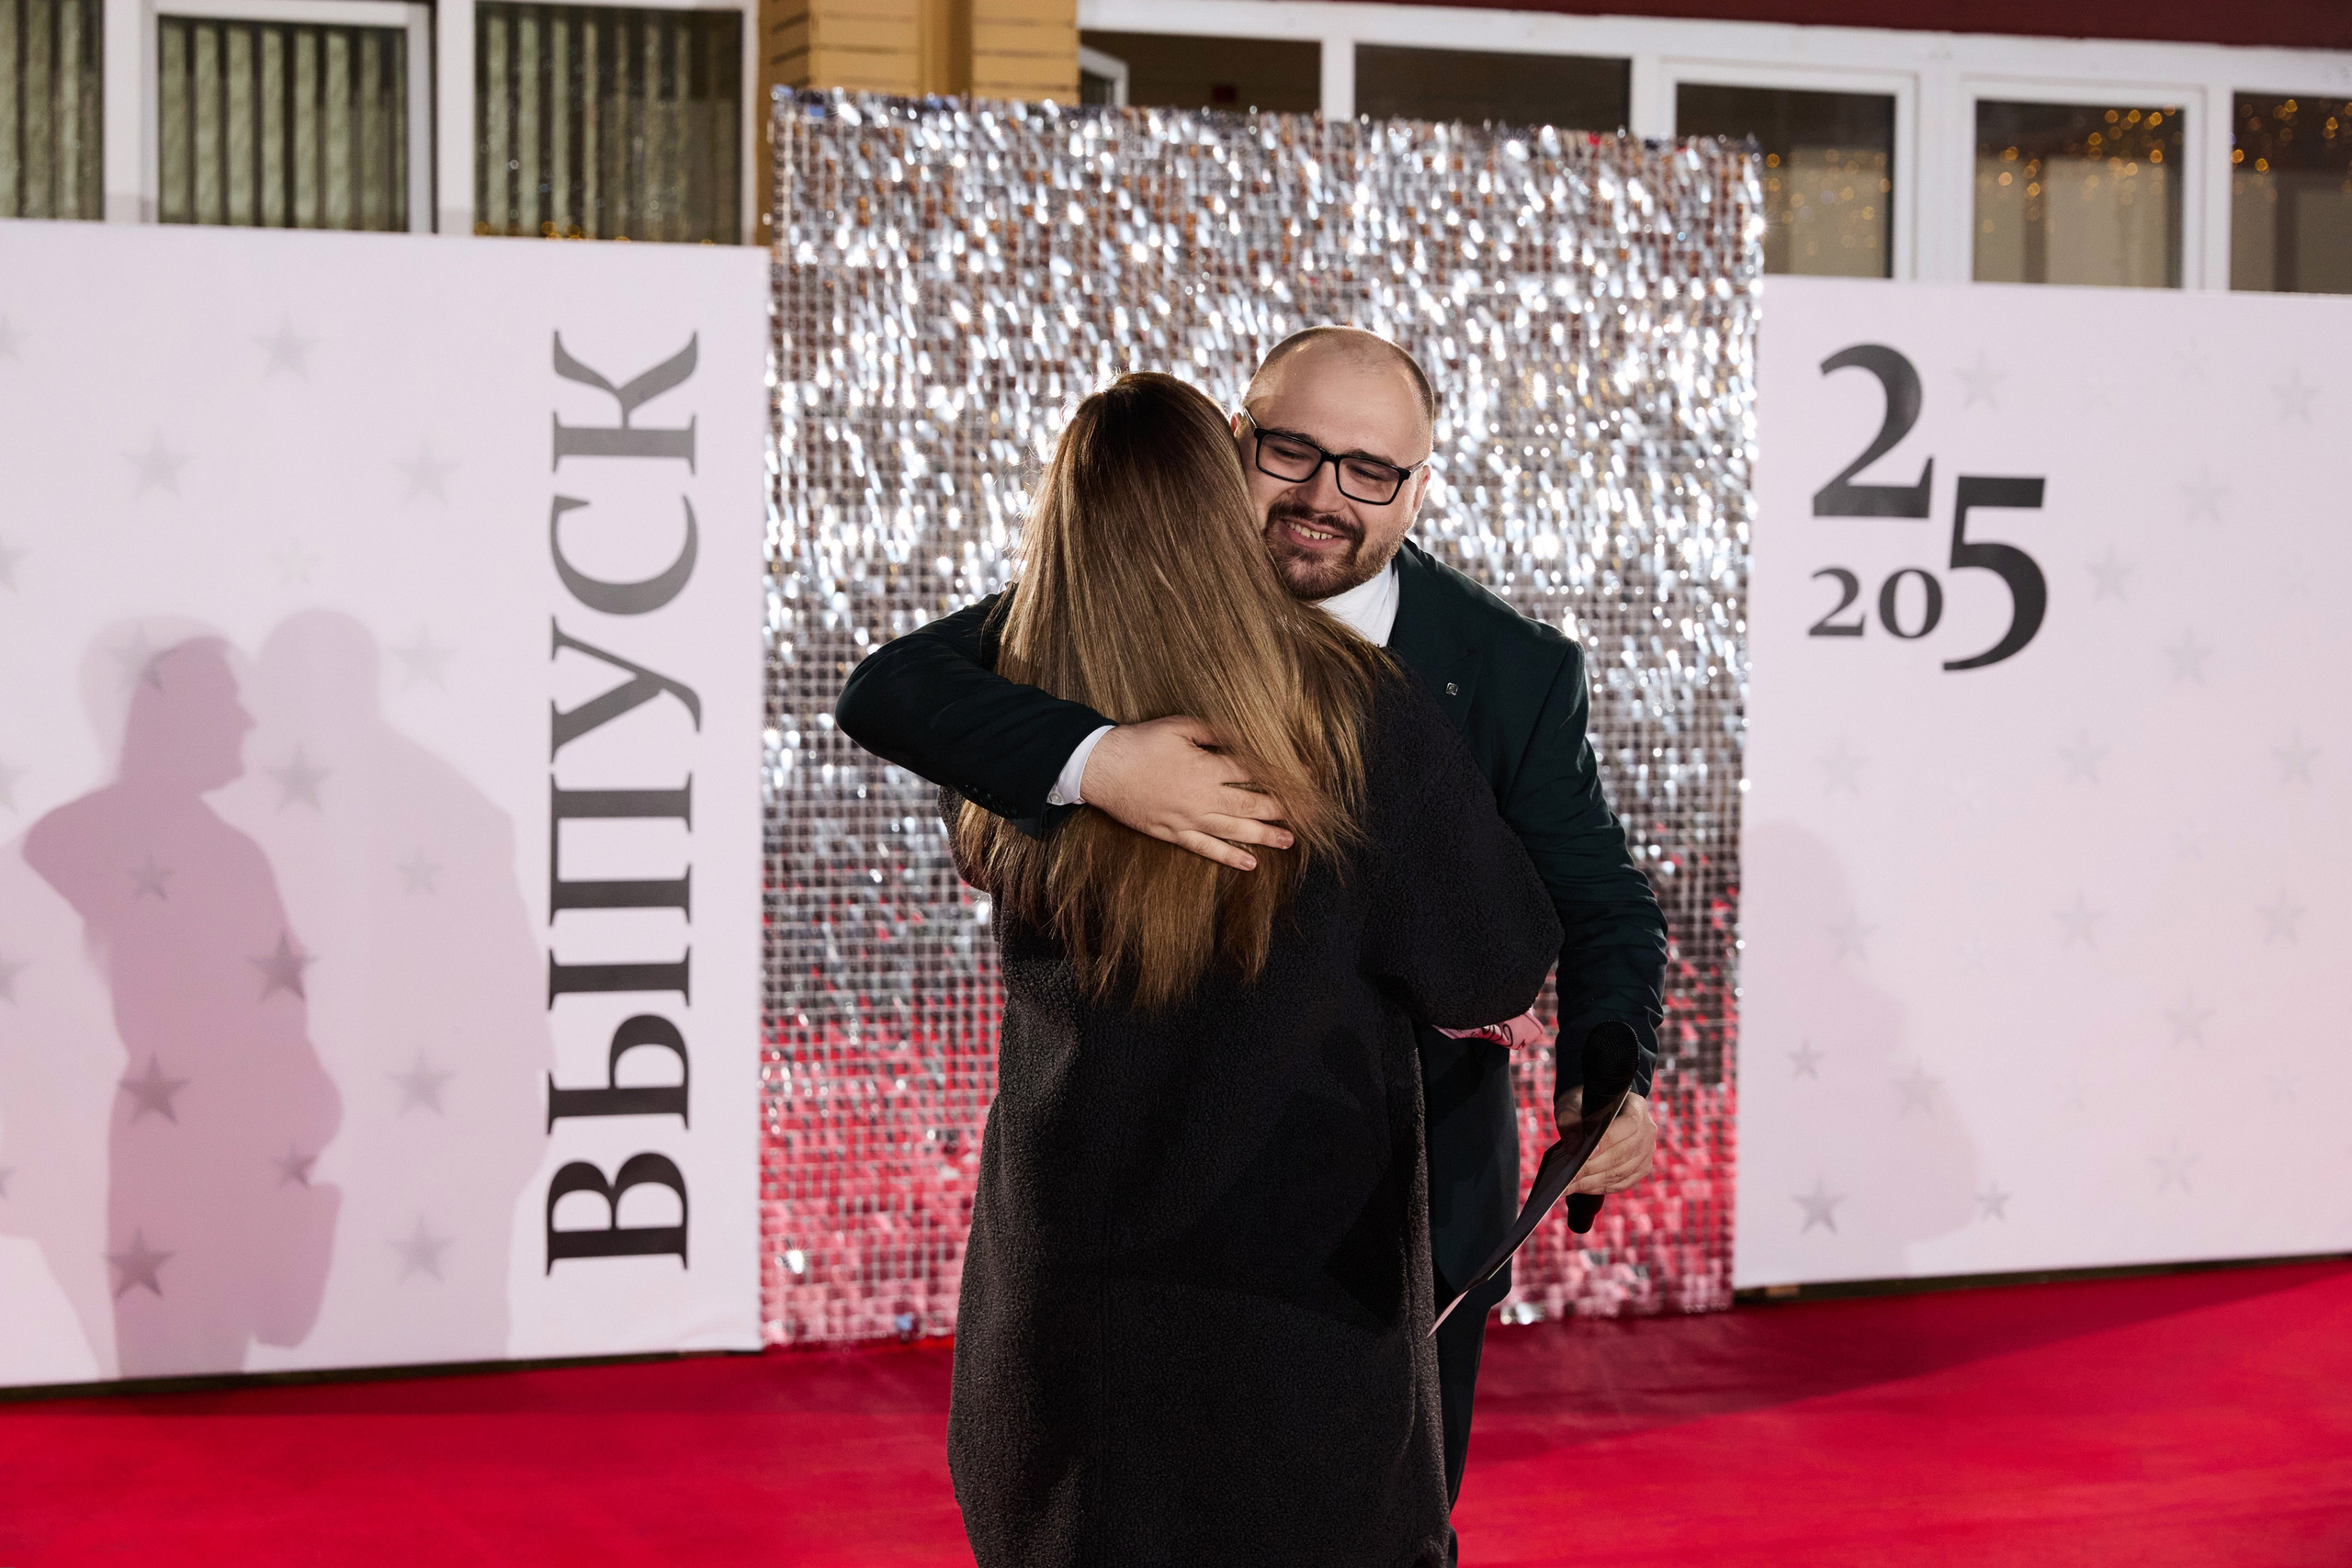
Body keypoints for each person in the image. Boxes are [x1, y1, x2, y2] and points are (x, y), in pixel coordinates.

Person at [837, 327, 1669, 1510]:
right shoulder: (1111, 605)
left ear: (1419, 488)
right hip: (1121, 1196)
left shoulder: (1509, 666)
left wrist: (1613, 1072)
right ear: (1236, 440)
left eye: (1369, 472)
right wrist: (1100, 759)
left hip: (1389, 1210)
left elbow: (1595, 902)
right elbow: (891, 688)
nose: (1324, 498)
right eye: (1293, 452)